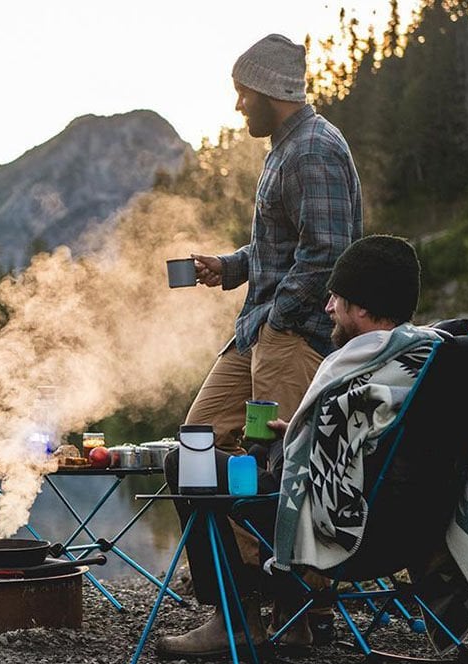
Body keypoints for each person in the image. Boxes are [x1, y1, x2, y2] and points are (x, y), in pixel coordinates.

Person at [157, 234, 468, 658]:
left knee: (187, 459)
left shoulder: (355, 367)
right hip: (409, 529)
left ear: (364, 306)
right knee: (266, 457)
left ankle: (236, 621)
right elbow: (365, 449)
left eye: (336, 297)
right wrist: (297, 433)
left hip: (347, 532)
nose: (328, 307)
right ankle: (295, 620)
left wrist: (297, 439)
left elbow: (319, 481)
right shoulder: (427, 361)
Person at [188, 33, 363, 454]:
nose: (238, 105)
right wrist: (230, 266)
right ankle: (228, 524)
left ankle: (262, 525)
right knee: (198, 444)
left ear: (268, 91)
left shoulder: (312, 150)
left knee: (278, 467)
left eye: (242, 94)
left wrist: (278, 322)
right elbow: (288, 247)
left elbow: (327, 255)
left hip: (294, 338)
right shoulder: (287, 149)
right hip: (261, 333)